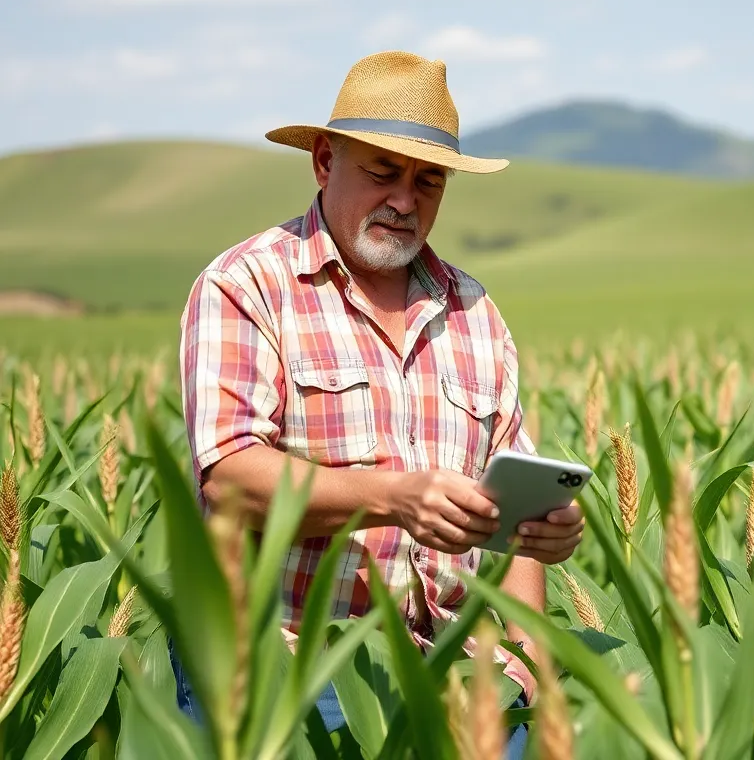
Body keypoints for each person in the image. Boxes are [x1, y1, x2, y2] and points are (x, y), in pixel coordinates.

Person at [174, 51, 583, 755]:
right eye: (383, 173)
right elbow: (231, 475)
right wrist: (396, 495)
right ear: (325, 162)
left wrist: (535, 643)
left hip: (462, 676)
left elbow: (507, 507)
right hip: (295, 670)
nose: (405, 199)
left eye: (429, 181)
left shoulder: (476, 312)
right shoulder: (248, 286)